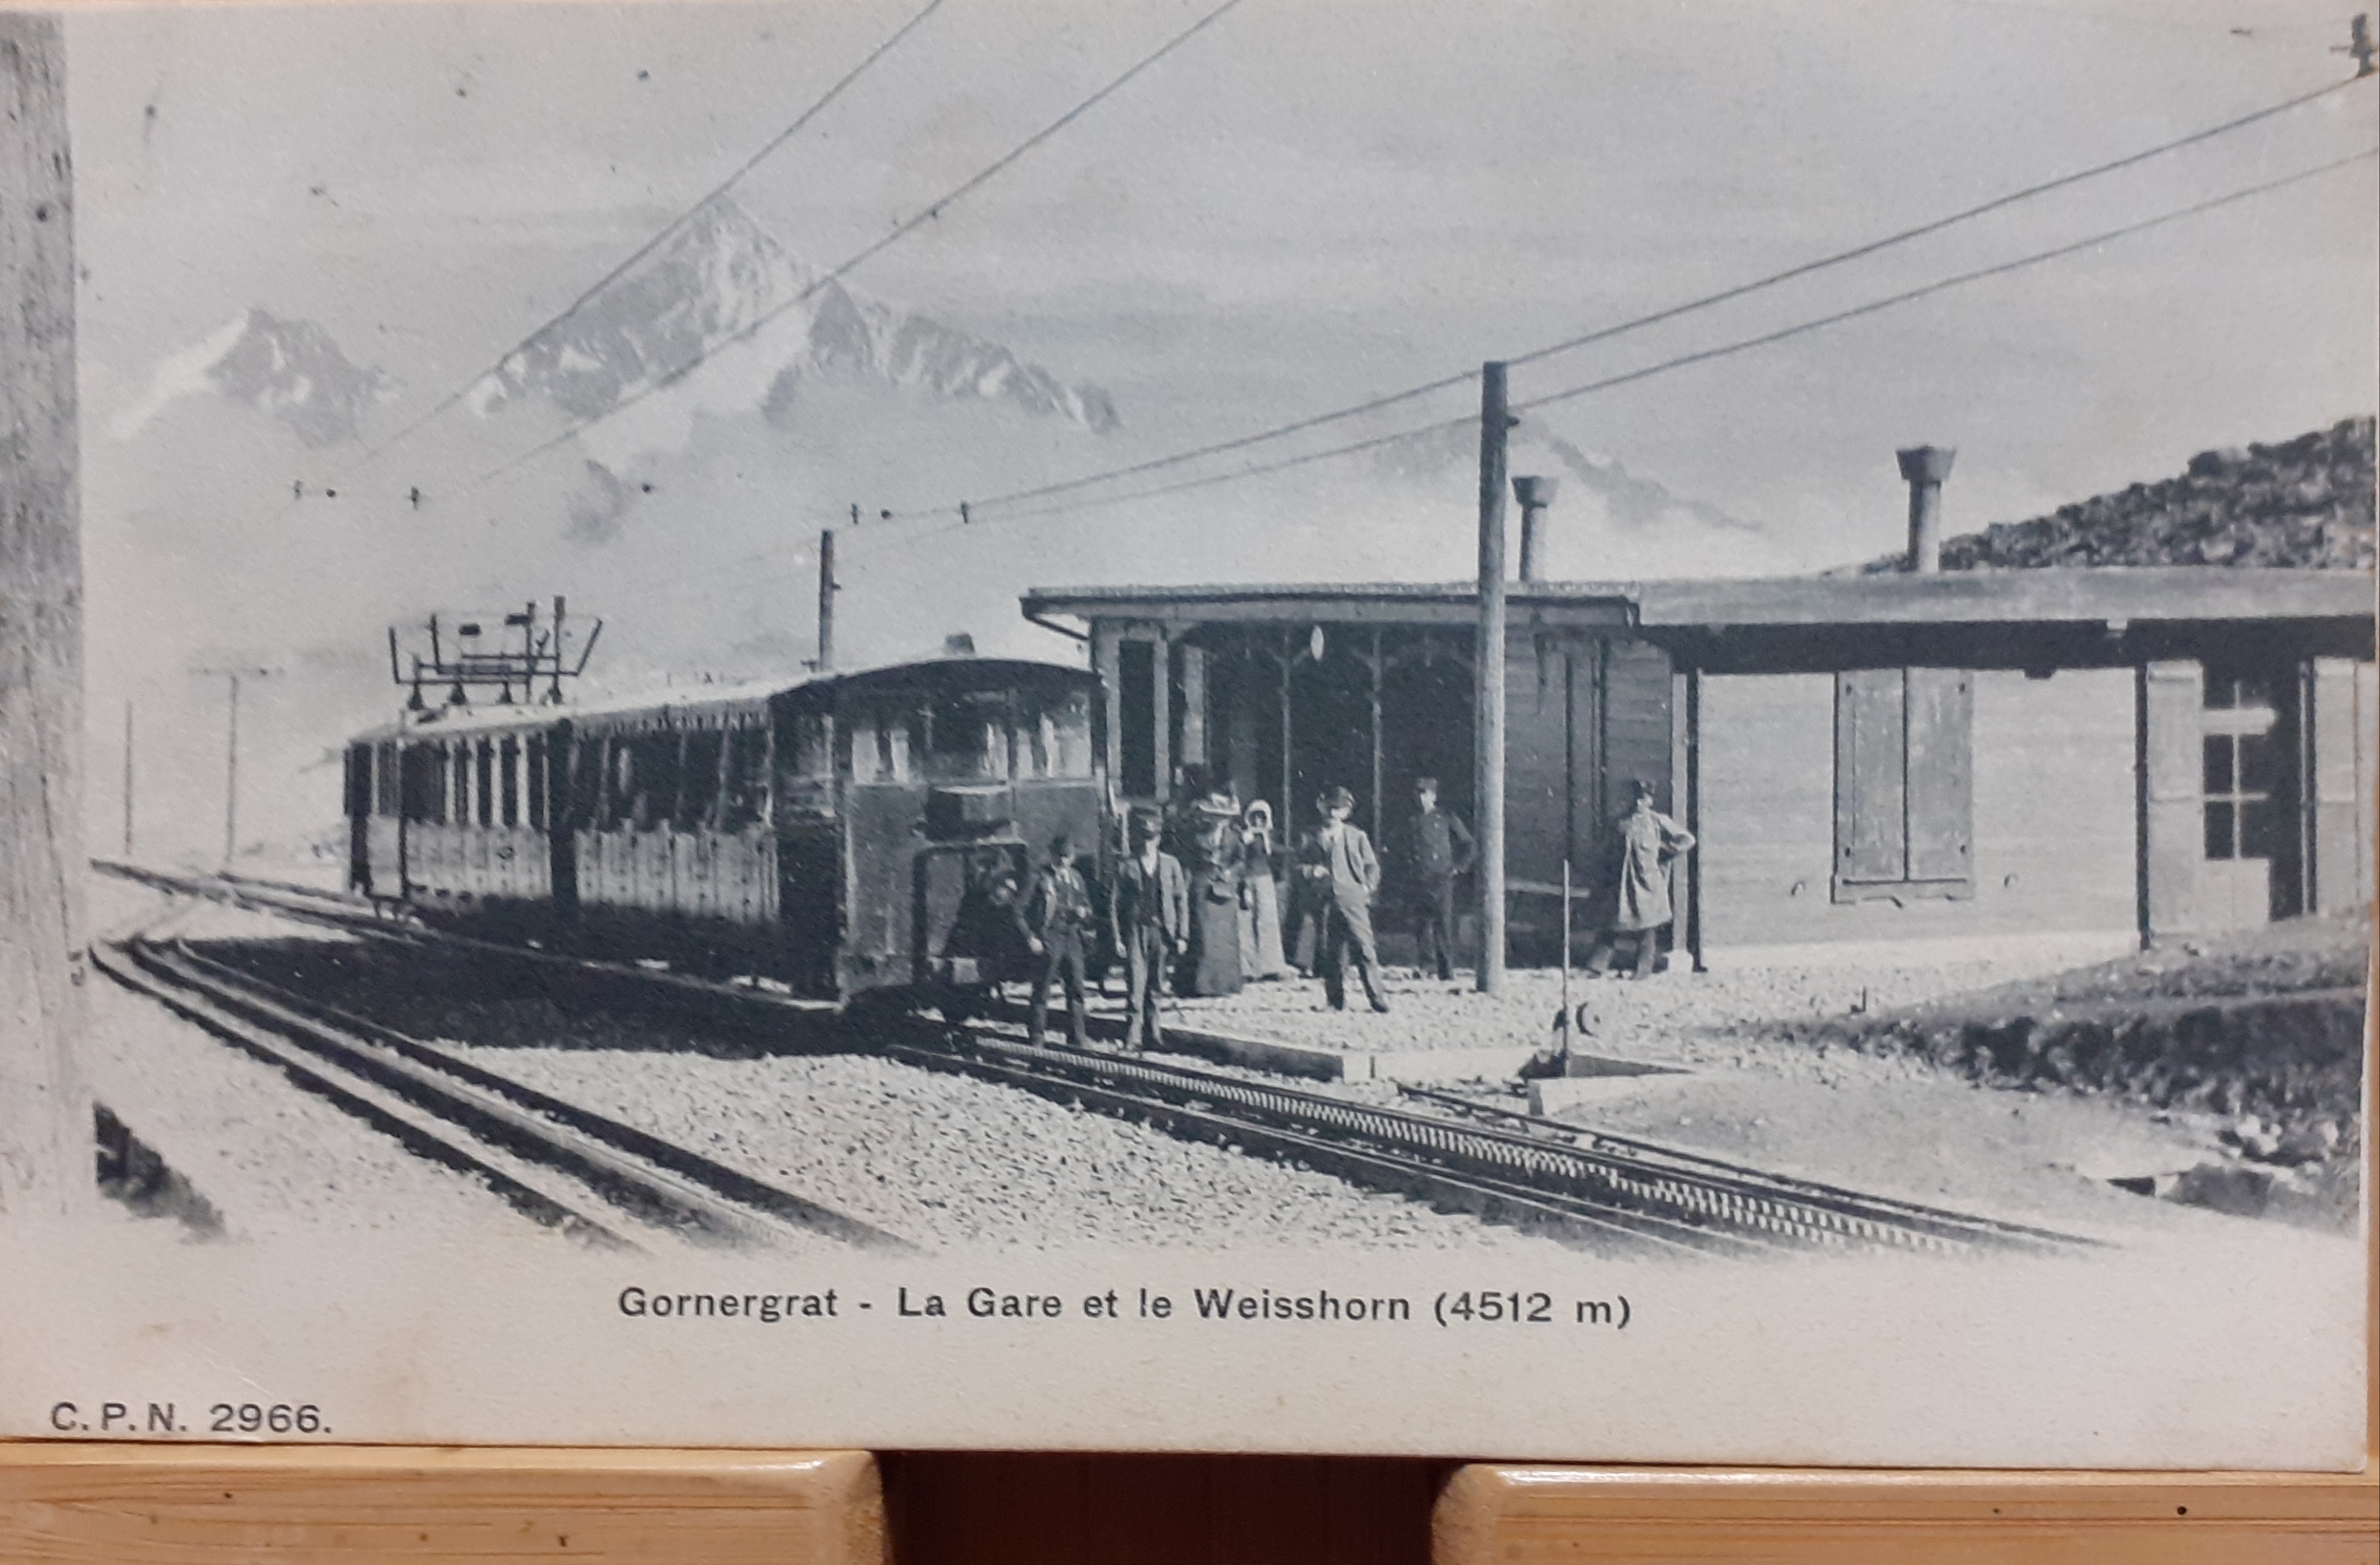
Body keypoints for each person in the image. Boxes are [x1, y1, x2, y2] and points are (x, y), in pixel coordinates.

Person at [1584, 779, 1696, 980]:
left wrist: (1665, 851)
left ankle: (1643, 970)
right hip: (1621, 883)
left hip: (1647, 883)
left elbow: (1687, 839)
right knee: (1613, 924)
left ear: (1650, 801)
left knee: (1647, 928)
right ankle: (1597, 966)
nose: (1638, 803)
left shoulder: (1658, 821)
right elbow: (1605, 848)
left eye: (1643, 799)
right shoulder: (1620, 822)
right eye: (1635, 799)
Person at [1297, 786, 1390, 1013]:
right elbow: (1296, 867)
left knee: (1364, 947)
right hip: (1325, 900)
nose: (1333, 813)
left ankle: (1377, 998)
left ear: (1346, 812)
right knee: (1331, 952)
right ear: (1321, 807)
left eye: (1338, 809)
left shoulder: (1357, 836)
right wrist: (1310, 871)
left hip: (1352, 898)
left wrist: (1367, 887)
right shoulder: (1310, 836)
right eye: (1329, 807)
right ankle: (1335, 1000)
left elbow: (1371, 865)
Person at [1108, 809, 1189, 1050]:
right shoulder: (1127, 865)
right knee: (1135, 983)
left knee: (1156, 985)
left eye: (1151, 837)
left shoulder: (1170, 864)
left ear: (1159, 838)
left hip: (1162, 932)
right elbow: (1114, 904)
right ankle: (1132, 1036)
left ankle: (1154, 1034)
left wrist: (1182, 935)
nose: (1148, 842)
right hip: (1136, 930)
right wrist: (1117, 938)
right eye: (1144, 837)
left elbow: (1181, 899)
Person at [1020, 831, 1096, 1048]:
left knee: (1077, 990)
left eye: (1068, 856)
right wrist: (1031, 938)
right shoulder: (1038, 878)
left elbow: (1088, 906)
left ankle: (1077, 1038)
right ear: (1051, 855)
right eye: (1059, 856)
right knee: (1042, 991)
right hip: (1049, 936)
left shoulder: (1076, 878)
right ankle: (1037, 1038)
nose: (1063, 860)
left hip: (1072, 937)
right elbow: (1018, 911)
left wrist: (1084, 913)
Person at [1405, 776, 1474, 983]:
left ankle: (1446, 968)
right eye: (1418, 793)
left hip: (1441, 877)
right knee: (1421, 924)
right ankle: (1426, 965)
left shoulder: (1446, 817)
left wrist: (1459, 868)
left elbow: (1469, 844)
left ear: (1433, 796)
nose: (1421, 797)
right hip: (1420, 877)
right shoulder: (1413, 820)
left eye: (1425, 793)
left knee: (1443, 924)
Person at [1183, 788, 1246, 996]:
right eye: (1215, 817)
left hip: (1226, 889)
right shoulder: (1196, 835)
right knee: (1203, 935)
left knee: (1225, 939)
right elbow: (1188, 860)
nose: (1219, 821)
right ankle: (1202, 985)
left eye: (1223, 817)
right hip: (1202, 886)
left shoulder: (1234, 837)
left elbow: (1241, 861)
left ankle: (1227, 984)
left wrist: (1230, 872)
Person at [1238, 799, 1288, 980]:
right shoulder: (1244, 837)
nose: (1258, 822)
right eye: (1254, 817)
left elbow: (1279, 854)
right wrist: (1243, 884)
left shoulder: (1273, 836)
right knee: (1245, 922)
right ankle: (1248, 969)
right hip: (1249, 878)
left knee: (1268, 921)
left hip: (1266, 879)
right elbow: (1241, 860)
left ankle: (1271, 966)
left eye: (1262, 817)